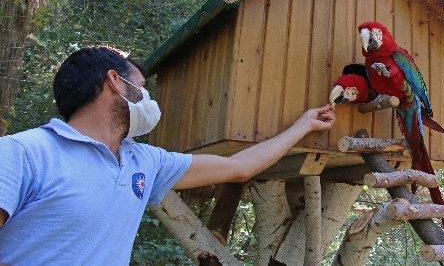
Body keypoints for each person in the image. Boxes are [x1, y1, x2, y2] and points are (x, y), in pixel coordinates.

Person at [0, 45, 335, 265]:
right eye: (142, 87)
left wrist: (303, 125)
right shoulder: (24, 153)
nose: (148, 98)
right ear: (115, 82)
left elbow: (239, 166)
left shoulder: (144, 161)